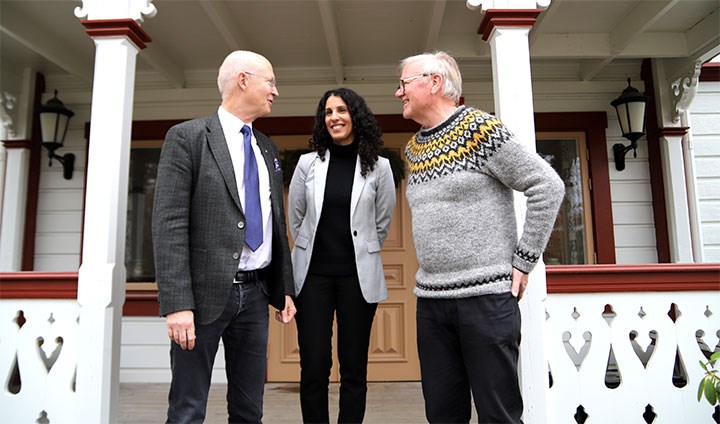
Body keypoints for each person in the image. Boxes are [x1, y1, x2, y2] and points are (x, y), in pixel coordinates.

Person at [395, 51, 565, 423]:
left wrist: (525, 259)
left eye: (404, 83)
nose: (399, 93)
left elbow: (546, 185)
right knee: (442, 415)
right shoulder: (413, 148)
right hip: (432, 302)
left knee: (498, 415)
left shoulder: (479, 130)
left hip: (485, 300)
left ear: (434, 82)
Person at [152, 50, 296, 424]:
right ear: (243, 80)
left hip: (255, 295)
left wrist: (284, 287)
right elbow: (168, 224)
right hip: (200, 300)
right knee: (187, 409)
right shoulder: (188, 137)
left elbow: (274, 221)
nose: (275, 92)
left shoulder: (266, 146)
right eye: (271, 81)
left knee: (249, 411)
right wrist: (177, 303)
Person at [288, 87, 396, 423]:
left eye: (342, 110)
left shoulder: (380, 167)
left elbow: (381, 222)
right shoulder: (308, 164)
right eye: (328, 112)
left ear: (356, 116)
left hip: (357, 280)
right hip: (313, 278)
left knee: (354, 368)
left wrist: (359, 248)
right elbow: (296, 218)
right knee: (315, 365)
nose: (334, 117)